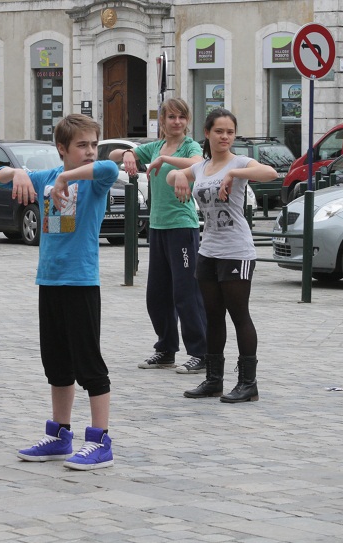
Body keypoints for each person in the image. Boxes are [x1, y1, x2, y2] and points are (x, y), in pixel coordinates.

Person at [0, 114, 119, 470]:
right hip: (49, 283)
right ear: (61, 148)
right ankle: (60, 436)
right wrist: (16, 173)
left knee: (88, 363)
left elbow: (109, 169)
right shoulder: (45, 178)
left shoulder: (93, 181)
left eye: (94, 144)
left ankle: (100, 441)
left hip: (81, 284)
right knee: (57, 364)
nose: (91, 151)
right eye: (82, 146)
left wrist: (67, 176)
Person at [167, 108, 277, 403]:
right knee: (213, 317)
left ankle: (248, 383)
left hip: (237, 251)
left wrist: (234, 173)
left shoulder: (240, 162)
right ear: (207, 133)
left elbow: (271, 172)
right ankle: (213, 380)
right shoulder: (202, 167)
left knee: (239, 315)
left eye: (230, 132)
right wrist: (178, 174)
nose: (225, 137)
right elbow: (173, 178)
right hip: (208, 251)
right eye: (219, 131)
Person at [109, 98, 207, 373]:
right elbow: (113, 156)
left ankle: (201, 352)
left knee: (186, 293)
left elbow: (197, 163)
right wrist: (128, 154)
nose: (176, 122)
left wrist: (164, 160)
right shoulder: (154, 147)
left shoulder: (190, 146)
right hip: (158, 228)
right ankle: (166, 349)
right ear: (161, 121)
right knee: (157, 295)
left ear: (187, 121)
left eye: (181, 117)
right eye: (171, 117)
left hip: (182, 228)